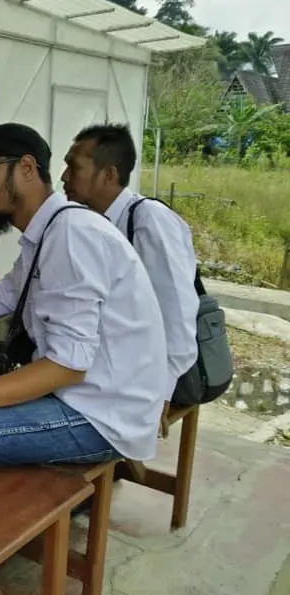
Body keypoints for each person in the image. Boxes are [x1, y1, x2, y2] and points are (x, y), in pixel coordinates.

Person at [0, 122, 168, 492]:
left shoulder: (72, 234)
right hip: (76, 397)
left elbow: (68, 366)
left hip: (98, 414)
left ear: (25, 168)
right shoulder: (46, 237)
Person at [62, 123, 199, 411]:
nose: (64, 177)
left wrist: (161, 392)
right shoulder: (89, 223)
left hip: (157, 380)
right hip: (119, 373)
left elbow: (176, 311)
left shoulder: (149, 220)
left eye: (74, 168)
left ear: (108, 175)